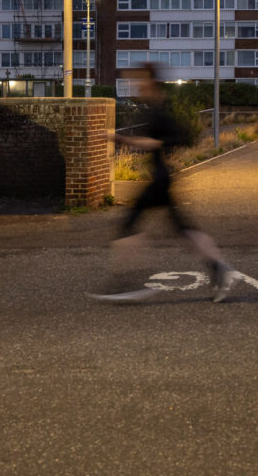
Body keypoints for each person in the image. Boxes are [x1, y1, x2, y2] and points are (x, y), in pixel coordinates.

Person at [91, 67, 235, 303]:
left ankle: (126, 282)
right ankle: (220, 268)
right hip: (161, 178)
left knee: (128, 225)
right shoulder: (156, 108)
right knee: (184, 229)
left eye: (141, 82)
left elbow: (156, 142)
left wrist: (118, 138)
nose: (138, 86)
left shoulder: (158, 112)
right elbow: (175, 137)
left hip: (159, 179)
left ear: (152, 83)